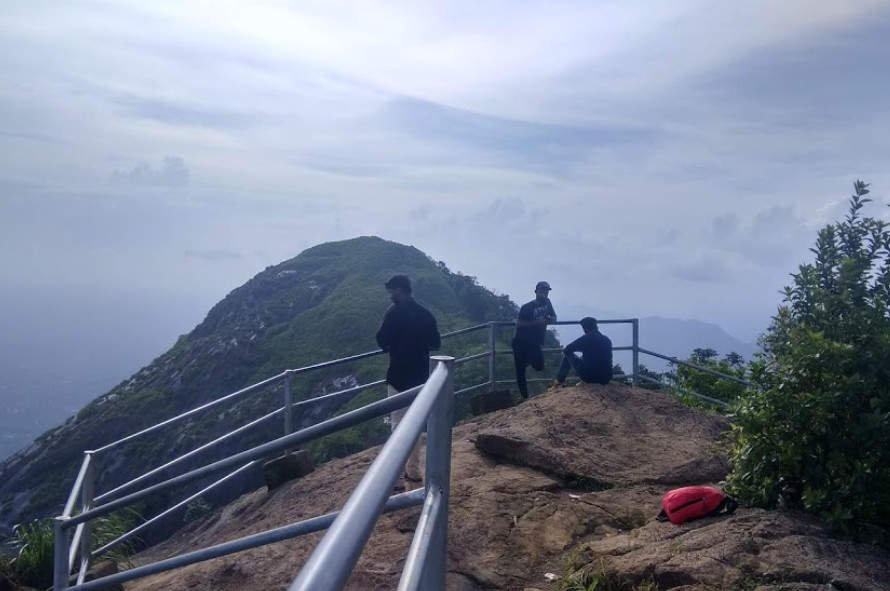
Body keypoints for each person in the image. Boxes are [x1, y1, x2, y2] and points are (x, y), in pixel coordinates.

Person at [375, 274, 441, 482]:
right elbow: (435, 343)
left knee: (397, 425)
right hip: (420, 376)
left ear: (400, 290)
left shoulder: (394, 314)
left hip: (398, 376)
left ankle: (393, 477)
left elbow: (381, 340)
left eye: (392, 290)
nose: (390, 295)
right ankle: (413, 470)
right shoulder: (425, 314)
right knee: (415, 425)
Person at [512, 281, 557, 399]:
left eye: (547, 290)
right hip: (521, 342)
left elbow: (554, 317)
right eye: (542, 290)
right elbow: (519, 324)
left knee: (539, 366)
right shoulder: (527, 307)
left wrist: (549, 319)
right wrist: (538, 322)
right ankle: (525, 397)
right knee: (520, 372)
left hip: (535, 342)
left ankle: (526, 360)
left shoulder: (548, 303)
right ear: (536, 291)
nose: (545, 292)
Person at [555, 317, 613, 386]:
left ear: (585, 328)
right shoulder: (606, 339)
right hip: (606, 378)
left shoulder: (586, 338)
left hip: (589, 377)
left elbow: (567, 349)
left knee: (568, 354)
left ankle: (559, 381)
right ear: (596, 326)